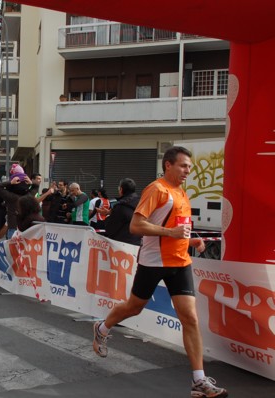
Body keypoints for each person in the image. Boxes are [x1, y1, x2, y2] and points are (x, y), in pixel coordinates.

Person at [92, 146, 227, 398]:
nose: (188, 170)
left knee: (190, 318)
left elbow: (180, 228)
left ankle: (199, 380)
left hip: (180, 262)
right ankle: (102, 327)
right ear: (168, 165)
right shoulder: (157, 189)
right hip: (154, 262)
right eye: (183, 165)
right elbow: (136, 225)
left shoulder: (182, 193)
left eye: (189, 166)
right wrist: (171, 234)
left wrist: (192, 240)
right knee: (134, 307)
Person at [102, 178, 141, 245]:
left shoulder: (120, 206)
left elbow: (110, 228)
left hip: (122, 245)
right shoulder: (142, 203)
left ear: (121, 189)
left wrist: (108, 215)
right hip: (138, 243)